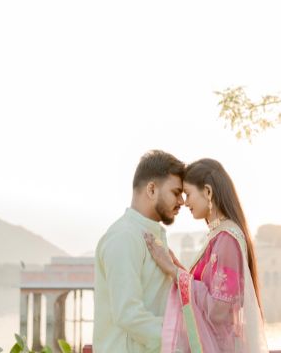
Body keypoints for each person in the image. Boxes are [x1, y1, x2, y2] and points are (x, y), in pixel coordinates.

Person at [144, 158, 269, 353]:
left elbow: (219, 308)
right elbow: (208, 291)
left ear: (208, 192)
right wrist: (174, 265)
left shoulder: (227, 239)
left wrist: (173, 270)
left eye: (188, 193)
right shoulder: (218, 236)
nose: (185, 202)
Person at [94, 150, 186, 353]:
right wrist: (178, 339)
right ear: (151, 189)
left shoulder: (151, 235)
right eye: (176, 192)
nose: (182, 201)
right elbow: (128, 314)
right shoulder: (124, 237)